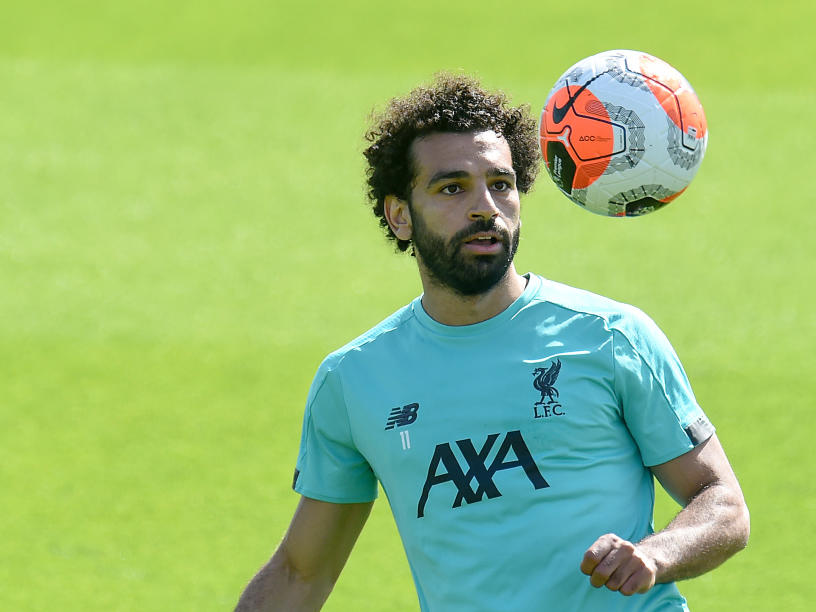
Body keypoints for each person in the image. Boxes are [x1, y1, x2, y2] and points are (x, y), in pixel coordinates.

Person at [235, 73, 749, 612]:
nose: (486, 207)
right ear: (400, 215)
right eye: (452, 188)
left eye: (501, 184)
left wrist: (655, 555)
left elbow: (723, 504)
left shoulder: (611, 336)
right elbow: (299, 573)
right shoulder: (354, 380)